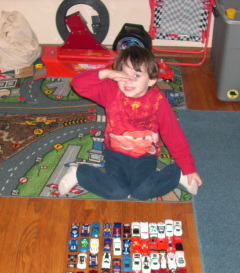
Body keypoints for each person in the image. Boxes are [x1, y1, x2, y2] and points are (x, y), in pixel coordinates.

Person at [58, 45, 202, 200]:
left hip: (145, 155)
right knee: (117, 192)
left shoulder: (158, 101)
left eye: (137, 75)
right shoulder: (111, 91)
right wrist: (105, 73)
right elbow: (78, 83)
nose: (128, 81)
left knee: (142, 192)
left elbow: (173, 135)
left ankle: (177, 174)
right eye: (124, 74)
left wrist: (188, 168)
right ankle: (78, 173)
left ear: (152, 80)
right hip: (115, 154)